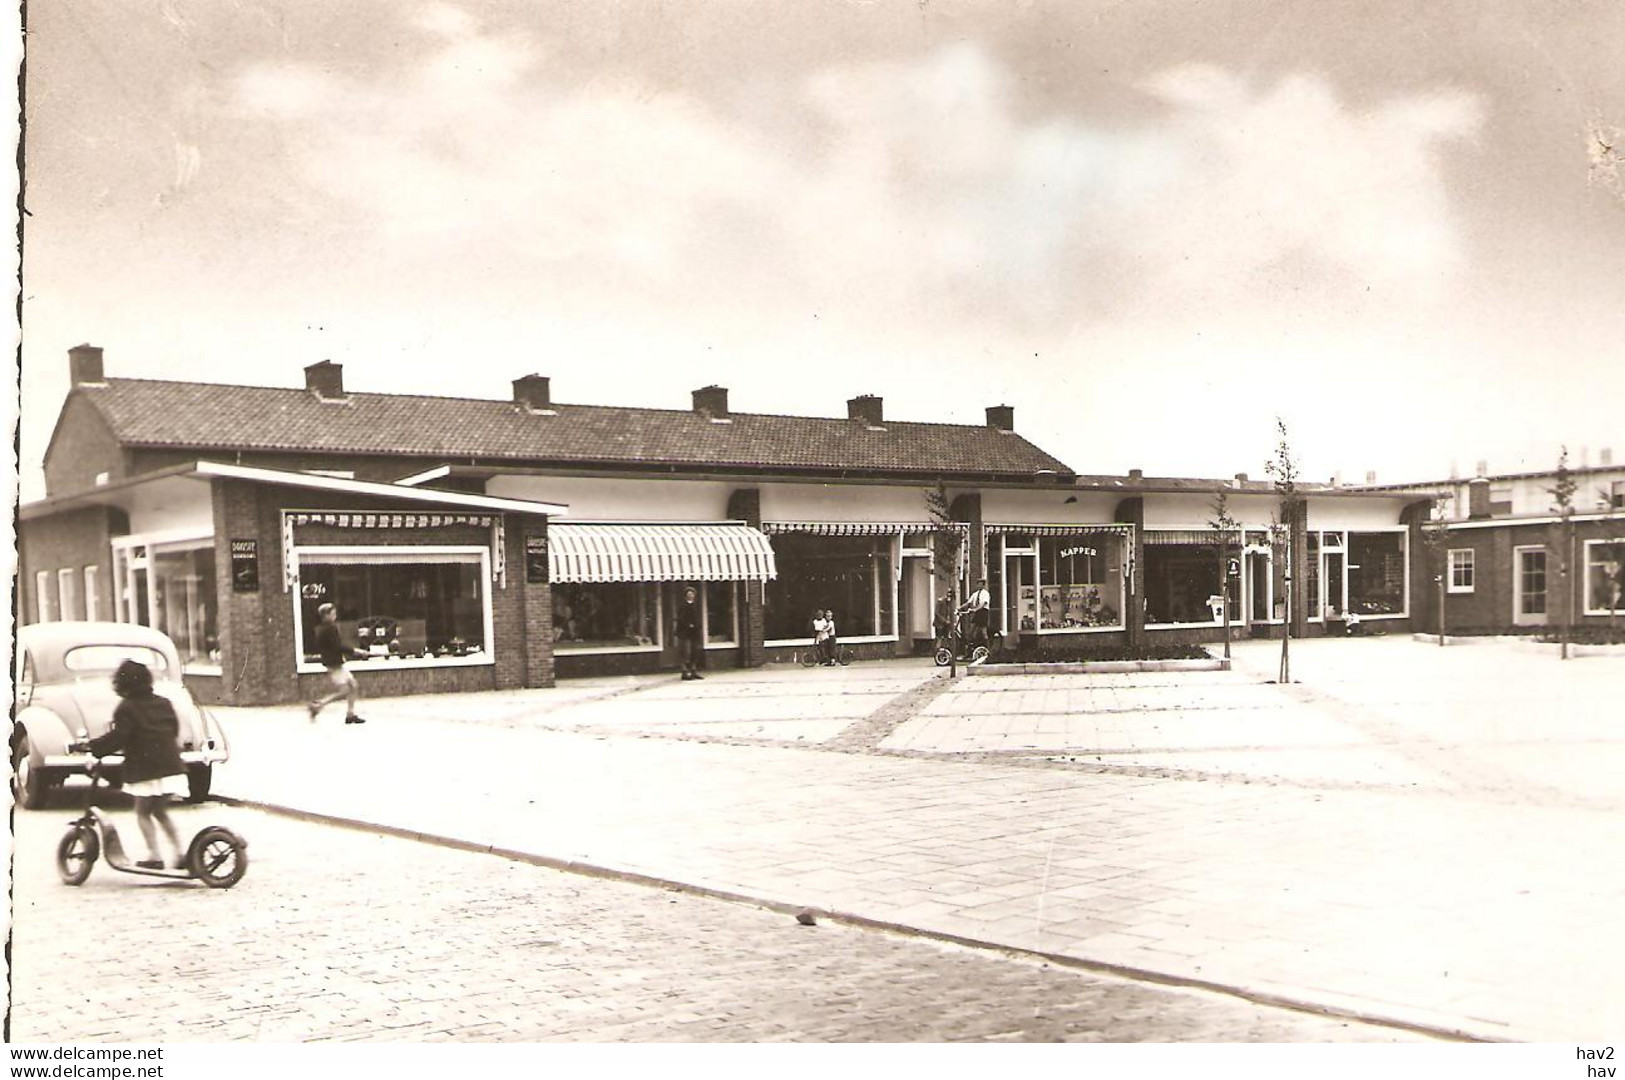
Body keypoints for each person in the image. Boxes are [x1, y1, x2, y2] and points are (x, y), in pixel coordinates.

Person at [87, 660, 188, 869]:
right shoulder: (164, 702)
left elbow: (119, 737)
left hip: (146, 769)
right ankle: (180, 852)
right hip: (170, 766)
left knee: (142, 812)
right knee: (160, 811)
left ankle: (154, 855)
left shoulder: (126, 708)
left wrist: (95, 747)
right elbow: (174, 730)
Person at [307, 603, 367, 724]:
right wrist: (355, 651)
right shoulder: (329, 629)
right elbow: (337, 646)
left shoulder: (322, 629)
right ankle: (318, 705)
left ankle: (350, 714)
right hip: (334, 664)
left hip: (335, 663)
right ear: (325, 615)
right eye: (332, 613)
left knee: (353, 686)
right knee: (344, 691)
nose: (335, 615)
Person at [675, 586, 704, 680]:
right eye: (689, 595)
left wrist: (698, 626)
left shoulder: (696, 605)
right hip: (684, 632)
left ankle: (693, 670)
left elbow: (698, 617)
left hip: (694, 632)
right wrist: (688, 625)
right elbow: (681, 618)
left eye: (692, 595)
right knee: (685, 652)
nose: (691, 596)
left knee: (695, 651)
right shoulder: (682, 606)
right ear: (685, 596)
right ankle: (684, 672)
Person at [962, 578, 992, 649]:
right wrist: (960, 608)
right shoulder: (975, 594)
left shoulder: (986, 594)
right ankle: (971, 647)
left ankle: (988, 648)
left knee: (983, 632)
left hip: (983, 612)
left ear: (983, 585)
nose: (979, 585)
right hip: (977, 613)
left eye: (980, 584)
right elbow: (968, 602)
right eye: (978, 584)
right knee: (971, 631)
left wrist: (975, 609)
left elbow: (983, 604)